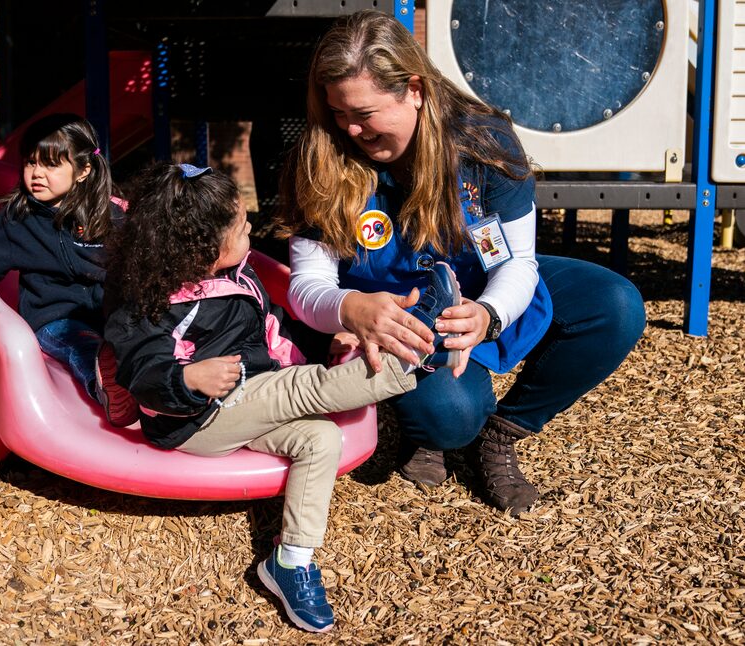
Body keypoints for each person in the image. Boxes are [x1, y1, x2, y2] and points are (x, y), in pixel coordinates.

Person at [276, 10, 646, 515]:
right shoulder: (321, 154)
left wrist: (489, 314)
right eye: (338, 113)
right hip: (395, 316)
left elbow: (517, 263)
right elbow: (306, 286)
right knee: (451, 417)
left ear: (414, 89)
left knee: (614, 305)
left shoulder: (482, 143)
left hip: (475, 286)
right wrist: (349, 308)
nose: (351, 129)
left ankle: (504, 432)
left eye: (364, 112)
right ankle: (426, 427)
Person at [102, 162, 458, 633]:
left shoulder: (239, 277)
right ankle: (412, 353)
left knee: (320, 440)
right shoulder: (152, 303)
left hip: (245, 402)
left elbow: (273, 335)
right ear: (205, 248)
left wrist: (325, 346)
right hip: (195, 420)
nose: (251, 226)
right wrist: (187, 380)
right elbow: (142, 370)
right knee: (300, 388)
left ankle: (290, 561)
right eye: (241, 224)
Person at [0, 113, 138, 427]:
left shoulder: (109, 216)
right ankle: (109, 390)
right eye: (31, 163)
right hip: (53, 319)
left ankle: (159, 391)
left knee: (140, 338)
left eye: (51, 165)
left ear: (83, 170)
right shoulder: (17, 220)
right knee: (82, 347)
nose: (37, 174)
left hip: (108, 315)